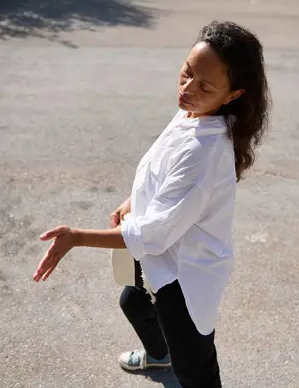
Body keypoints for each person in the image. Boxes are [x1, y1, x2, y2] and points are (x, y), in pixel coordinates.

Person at [32, 21, 271, 388]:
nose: (188, 88)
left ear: (232, 94)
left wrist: (76, 237)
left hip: (185, 278)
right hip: (159, 259)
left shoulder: (205, 152)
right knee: (132, 301)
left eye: (205, 85)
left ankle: (173, 358)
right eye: (187, 72)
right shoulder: (194, 111)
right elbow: (161, 167)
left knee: (196, 369)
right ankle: (160, 357)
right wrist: (133, 200)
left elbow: (153, 234)